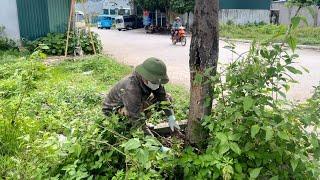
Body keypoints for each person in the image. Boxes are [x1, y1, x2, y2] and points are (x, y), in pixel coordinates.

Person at [102, 57, 180, 132]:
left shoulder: (153, 81)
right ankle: (129, 127)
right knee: (134, 116)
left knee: (168, 98)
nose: (157, 85)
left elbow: (163, 97)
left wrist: (171, 116)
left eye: (158, 83)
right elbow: (135, 115)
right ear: (145, 78)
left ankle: (142, 125)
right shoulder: (131, 87)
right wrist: (153, 143)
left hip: (135, 102)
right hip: (113, 111)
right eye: (154, 82)